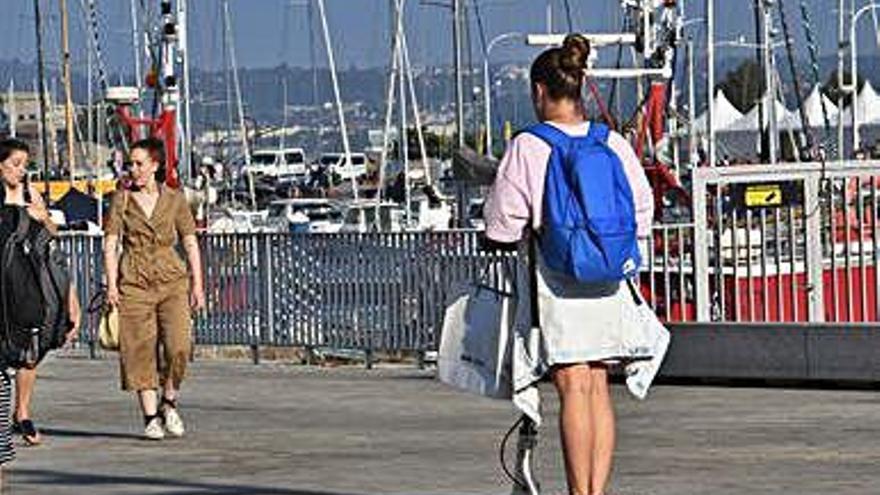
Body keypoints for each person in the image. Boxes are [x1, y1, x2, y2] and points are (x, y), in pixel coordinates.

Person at [483, 35, 654, 495]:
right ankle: (595, 491)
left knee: (573, 387)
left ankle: (579, 494)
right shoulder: (612, 142)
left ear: (540, 91)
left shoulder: (530, 146)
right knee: (598, 385)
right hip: (611, 280)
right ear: (579, 87)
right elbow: (643, 207)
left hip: (557, 280)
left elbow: (502, 225)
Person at [103, 138, 204, 441]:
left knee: (179, 345)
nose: (133, 169)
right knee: (138, 347)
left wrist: (198, 284)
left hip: (172, 278)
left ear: (155, 166)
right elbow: (110, 244)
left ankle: (169, 400)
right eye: (130, 164)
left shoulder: (174, 199)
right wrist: (111, 284)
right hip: (134, 280)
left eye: (138, 164)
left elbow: (189, 241)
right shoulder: (121, 199)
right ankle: (149, 417)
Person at [0, 138, 82, 450]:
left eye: (24, 164)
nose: (21, 171)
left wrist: (42, 217)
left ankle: (22, 410)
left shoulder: (29, 194)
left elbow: (51, 242)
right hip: (4, 281)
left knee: (31, 346)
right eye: (14, 164)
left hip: (31, 279)